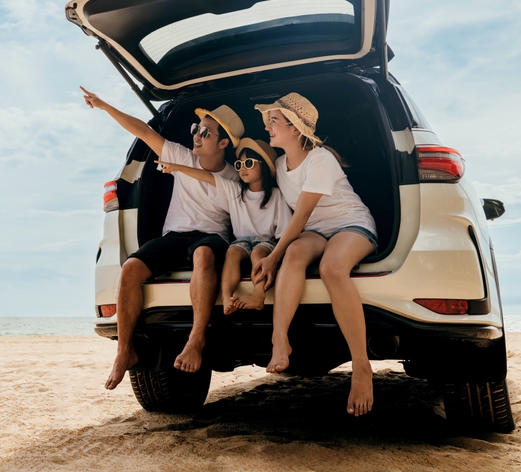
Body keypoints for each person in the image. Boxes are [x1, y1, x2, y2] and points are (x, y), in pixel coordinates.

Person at [80, 86, 242, 391]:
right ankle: (124, 350)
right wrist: (104, 105)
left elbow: (215, 181)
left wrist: (178, 168)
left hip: (211, 237)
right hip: (176, 235)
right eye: (196, 129)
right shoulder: (182, 154)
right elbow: (142, 130)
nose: (196, 135)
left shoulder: (234, 176)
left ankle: (196, 339)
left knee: (203, 256)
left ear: (223, 142)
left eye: (205, 133)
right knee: (130, 269)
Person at [249, 92, 378, 417]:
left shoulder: (320, 159)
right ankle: (280, 340)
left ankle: (361, 367)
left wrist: (271, 257)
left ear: (295, 128)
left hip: (350, 224)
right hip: (315, 232)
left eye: (274, 120)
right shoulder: (279, 165)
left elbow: (302, 214)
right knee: (293, 254)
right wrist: (270, 250)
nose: (268, 126)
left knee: (332, 268)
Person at [156, 137, 292, 314]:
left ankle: (258, 294)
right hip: (241, 242)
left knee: (258, 252)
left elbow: (285, 231)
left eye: (248, 163)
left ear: (264, 167)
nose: (242, 168)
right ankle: (227, 296)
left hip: (266, 242)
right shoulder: (235, 190)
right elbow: (208, 178)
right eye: (239, 164)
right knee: (233, 252)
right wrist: (177, 168)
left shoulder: (276, 196)